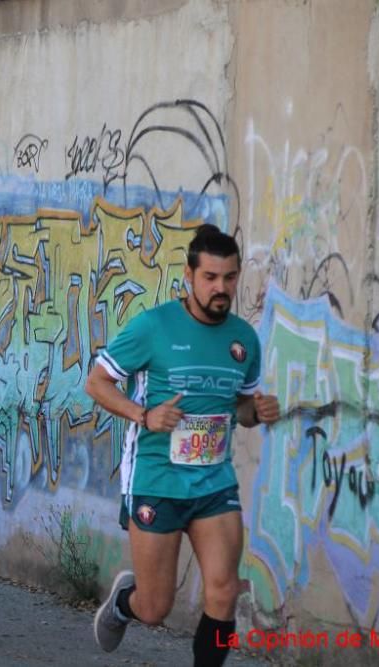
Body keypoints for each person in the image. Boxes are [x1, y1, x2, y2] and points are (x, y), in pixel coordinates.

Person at [84, 224, 281, 666]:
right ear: (189, 275)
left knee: (224, 592)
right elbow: (97, 382)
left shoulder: (243, 340)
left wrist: (258, 411)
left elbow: (241, 407)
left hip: (214, 481)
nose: (221, 288)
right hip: (157, 479)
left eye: (229, 278)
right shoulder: (154, 326)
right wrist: (144, 415)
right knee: (155, 608)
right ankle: (123, 604)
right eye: (210, 277)